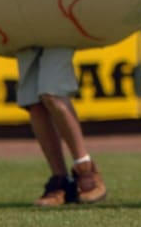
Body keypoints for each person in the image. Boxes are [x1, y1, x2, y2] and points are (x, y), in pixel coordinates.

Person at [16, 46, 107, 206]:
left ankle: (85, 169)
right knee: (34, 103)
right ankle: (60, 179)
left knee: (52, 94)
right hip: (27, 34)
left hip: (58, 29)